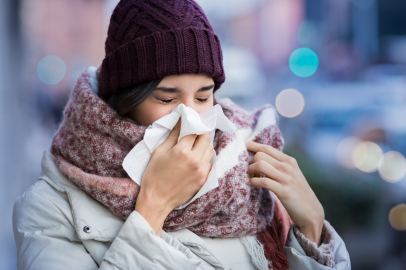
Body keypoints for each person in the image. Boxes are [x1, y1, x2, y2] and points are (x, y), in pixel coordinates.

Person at [12, 0, 351, 269]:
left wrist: (312, 232)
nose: (191, 115)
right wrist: (153, 208)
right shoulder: (51, 208)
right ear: (124, 99)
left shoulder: (246, 169)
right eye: (167, 98)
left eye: (203, 97)